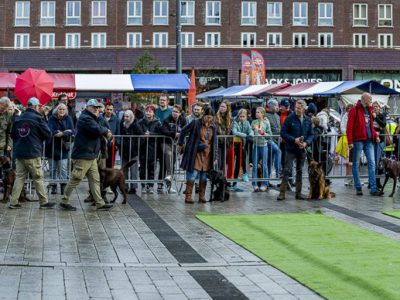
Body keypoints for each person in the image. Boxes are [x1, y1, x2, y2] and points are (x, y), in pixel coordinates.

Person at [60, 99, 114, 211]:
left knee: (95, 180)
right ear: (87, 107)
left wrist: (100, 120)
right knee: (76, 178)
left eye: (98, 107)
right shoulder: (85, 118)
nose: (96, 109)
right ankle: (64, 201)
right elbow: (97, 129)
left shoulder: (93, 118)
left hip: (90, 155)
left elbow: (99, 125)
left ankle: (100, 203)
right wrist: (106, 131)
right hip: (83, 155)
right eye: (94, 107)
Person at [9, 97, 55, 209]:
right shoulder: (38, 118)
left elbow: (13, 134)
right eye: (39, 106)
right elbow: (48, 134)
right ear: (35, 106)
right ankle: (44, 202)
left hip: (19, 152)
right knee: (38, 177)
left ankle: (13, 202)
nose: (39, 107)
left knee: (20, 177)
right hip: (33, 152)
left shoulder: (19, 118)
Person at [178, 108, 218, 203]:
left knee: (204, 176)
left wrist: (215, 156)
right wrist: (181, 143)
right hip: (195, 153)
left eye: (211, 118)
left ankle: (202, 196)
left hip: (208, 154)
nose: (209, 119)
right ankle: (188, 196)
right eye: (207, 117)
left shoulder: (213, 127)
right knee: (192, 174)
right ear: (203, 115)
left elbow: (214, 142)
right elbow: (183, 131)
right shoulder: (196, 123)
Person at [346, 92, 383, 197]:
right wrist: (350, 142)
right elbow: (349, 127)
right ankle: (358, 187)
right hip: (358, 140)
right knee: (356, 164)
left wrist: (375, 135)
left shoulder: (369, 110)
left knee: (372, 163)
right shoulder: (354, 110)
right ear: (364, 99)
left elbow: (370, 126)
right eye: (369, 99)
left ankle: (373, 188)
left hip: (369, 140)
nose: (371, 101)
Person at [277, 100, 314, 201]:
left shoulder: (308, 120)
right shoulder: (289, 118)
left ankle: (298, 193)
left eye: (299, 108)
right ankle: (282, 193)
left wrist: (306, 143)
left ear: (303, 109)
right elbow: (283, 133)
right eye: (296, 107)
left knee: (300, 171)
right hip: (290, 149)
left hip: (302, 149)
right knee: (286, 170)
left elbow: (311, 134)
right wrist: (294, 140)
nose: (296, 109)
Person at [46, 103, 75, 195]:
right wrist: (57, 133)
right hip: (52, 147)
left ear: (66, 110)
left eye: (63, 109)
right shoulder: (51, 118)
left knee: (63, 169)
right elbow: (49, 130)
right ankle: (53, 186)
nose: (62, 111)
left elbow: (72, 131)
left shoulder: (68, 118)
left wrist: (63, 134)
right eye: (60, 109)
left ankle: (63, 187)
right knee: (52, 169)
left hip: (64, 148)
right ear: (56, 110)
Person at [160, 104, 187, 193]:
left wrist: (181, 137)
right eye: (173, 111)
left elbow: (185, 130)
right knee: (169, 155)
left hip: (177, 144)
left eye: (176, 112)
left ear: (180, 113)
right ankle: (168, 177)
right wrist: (174, 133)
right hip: (166, 143)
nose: (174, 113)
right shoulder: (167, 120)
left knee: (173, 162)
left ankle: (169, 184)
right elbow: (164, 131)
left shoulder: (183, 120)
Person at [138, 105, 161, 194]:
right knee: (142, 168)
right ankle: (143, 185)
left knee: (152, 167)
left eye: (150, 111)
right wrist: (143, 134)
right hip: (143, 147)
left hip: (153, 147)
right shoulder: (141, 121)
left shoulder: (157, 122)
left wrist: (151, 134)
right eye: (147, 111)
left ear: (153, 113)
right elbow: (138, 131)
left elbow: (160, 133)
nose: (148, 113)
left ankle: (151, 186)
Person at [120, 110, 143, 194]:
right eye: (124, 116)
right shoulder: (122, 124)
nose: (125, 118)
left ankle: (133, 187)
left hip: (133, 151)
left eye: (127, 116)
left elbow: (141, 137)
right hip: (124, 150)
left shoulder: (136, 124)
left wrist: (136, 146)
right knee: (124, 169)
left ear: (131, 117)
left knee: (134, 170)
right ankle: (125, 186)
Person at [231, 108, 253, 191]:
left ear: (246, 117)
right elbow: (235, 132)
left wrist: (250, 135)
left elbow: (250, 130)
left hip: (242, 145)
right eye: (241, 116)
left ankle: (235, 183)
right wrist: (246, 135)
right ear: (238, 116)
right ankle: (244, 174)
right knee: (240, 160)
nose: (242, 118)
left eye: (244, 116)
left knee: (238, 163)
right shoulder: (235, 122)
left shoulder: (247, 122)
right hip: (235, 145)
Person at [251, 107, 271, 192]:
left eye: (258, 112)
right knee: (255, 166)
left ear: (263, 114)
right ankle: (254, 184)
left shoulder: (266, 122)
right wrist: (252, 133)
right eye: (256, 112)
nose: (256, 114)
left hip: (264, 145)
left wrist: (263, 133)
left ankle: (265, 184)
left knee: (264, 165)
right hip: (256, 145)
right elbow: (250, 131)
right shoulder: (253, 122)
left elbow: (269, 135)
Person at [265, 99, 282, 181]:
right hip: (269, 140)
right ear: (271, 106)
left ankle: (267, 181)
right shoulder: (265, 116)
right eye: (275, 105)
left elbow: (278, 128)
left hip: (277, 140)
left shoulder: (278, 116)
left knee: (270, 161)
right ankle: (279, 170)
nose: (277, 107)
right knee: (277, 152)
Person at [372, 101, 386, 190]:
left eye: (377, 107)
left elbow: (383, 124)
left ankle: (377, 181)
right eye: (374, 107)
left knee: (377, 162)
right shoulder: (370, 116)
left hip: (380, 141)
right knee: (372, 162)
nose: (376, 108)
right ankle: (372, 181)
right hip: (371, 141)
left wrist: (376, 118)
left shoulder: (380, 115)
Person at [215, 100, 233, 174]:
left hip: (225, 142)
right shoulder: (216, 117)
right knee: (218, 161)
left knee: (223, 161)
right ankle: (216, 177)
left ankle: (222, 178)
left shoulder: (229, 119)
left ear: (227, 108)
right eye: (221, 106)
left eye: (223, 107)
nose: (221, 108)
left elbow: (229, 130)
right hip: (217, 141)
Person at [103, 103, 120, 168]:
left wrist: (117, 144)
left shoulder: (116, 119)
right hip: (102, 145)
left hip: (111, 145)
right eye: (108, 109)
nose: (109, 111)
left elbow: (118, 132)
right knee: (101, 164)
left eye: (111, 109)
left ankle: (109, 178)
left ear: (113, 110)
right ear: (105, 109)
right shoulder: (100, 118)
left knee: (110, 164)